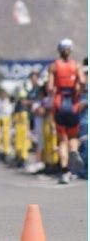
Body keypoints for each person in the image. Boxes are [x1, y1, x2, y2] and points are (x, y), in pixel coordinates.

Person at [47, 38, 86, 184]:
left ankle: (64, 171)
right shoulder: (76, 65)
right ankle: (74, 150)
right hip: (73, 103)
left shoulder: (54, 66)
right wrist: (78, 91)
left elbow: (50, 88)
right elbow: (82, 82)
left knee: (62, 139)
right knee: (73, 136)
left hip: (59, 103)